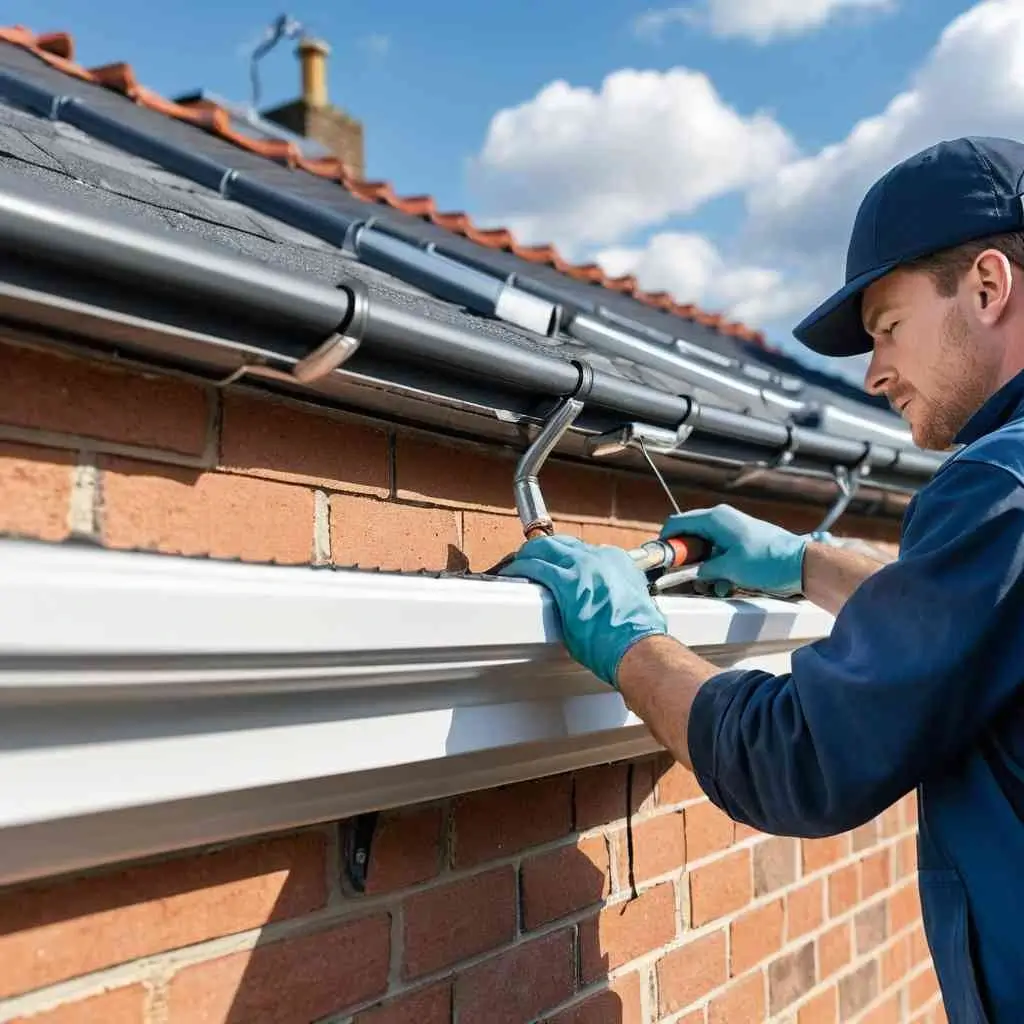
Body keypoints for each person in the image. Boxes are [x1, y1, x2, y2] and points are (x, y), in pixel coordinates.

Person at [500, 136, 1024, 1023]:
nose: (875, 374)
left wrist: (625, 637)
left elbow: (802, 756)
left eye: (889, 327)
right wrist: (801, 562)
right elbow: (973, 634)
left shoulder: (1000, 487)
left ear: (986, 287)